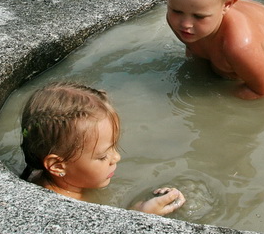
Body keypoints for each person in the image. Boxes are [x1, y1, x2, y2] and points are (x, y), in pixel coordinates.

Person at [20, 81, 185, 215]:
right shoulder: (65, 211)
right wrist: (141, 216)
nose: (117, 157)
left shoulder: (42, 175)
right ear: (57, 166)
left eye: (114, 147)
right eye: (102, 156)